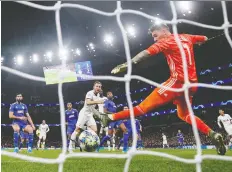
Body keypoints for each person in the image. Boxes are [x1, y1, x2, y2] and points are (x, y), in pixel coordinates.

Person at [98, 24, 226, 155]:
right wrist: (200, 42)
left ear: (165, 31)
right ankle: (213, 134)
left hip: (177, 82)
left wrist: (129, 62)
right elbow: (204, 38)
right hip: (192, 84)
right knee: (184, 114)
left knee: (142, 108)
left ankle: (109, 117)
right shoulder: (186, 37)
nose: (154, 39)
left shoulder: (166, 41)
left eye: (155, 35)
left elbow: (146, 53)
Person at [69, 81, 105, 152]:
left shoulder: (98, 95)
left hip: (90, 115)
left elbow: (94, 107)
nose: (98, 88)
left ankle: (92, 146)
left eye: (99, 87)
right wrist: (99, 102)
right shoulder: (90, 93)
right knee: (77, 130)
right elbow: (88, 102)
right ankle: (70, 147)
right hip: (84, 114)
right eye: (97, 86)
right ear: (94, 87)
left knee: (94, 131)